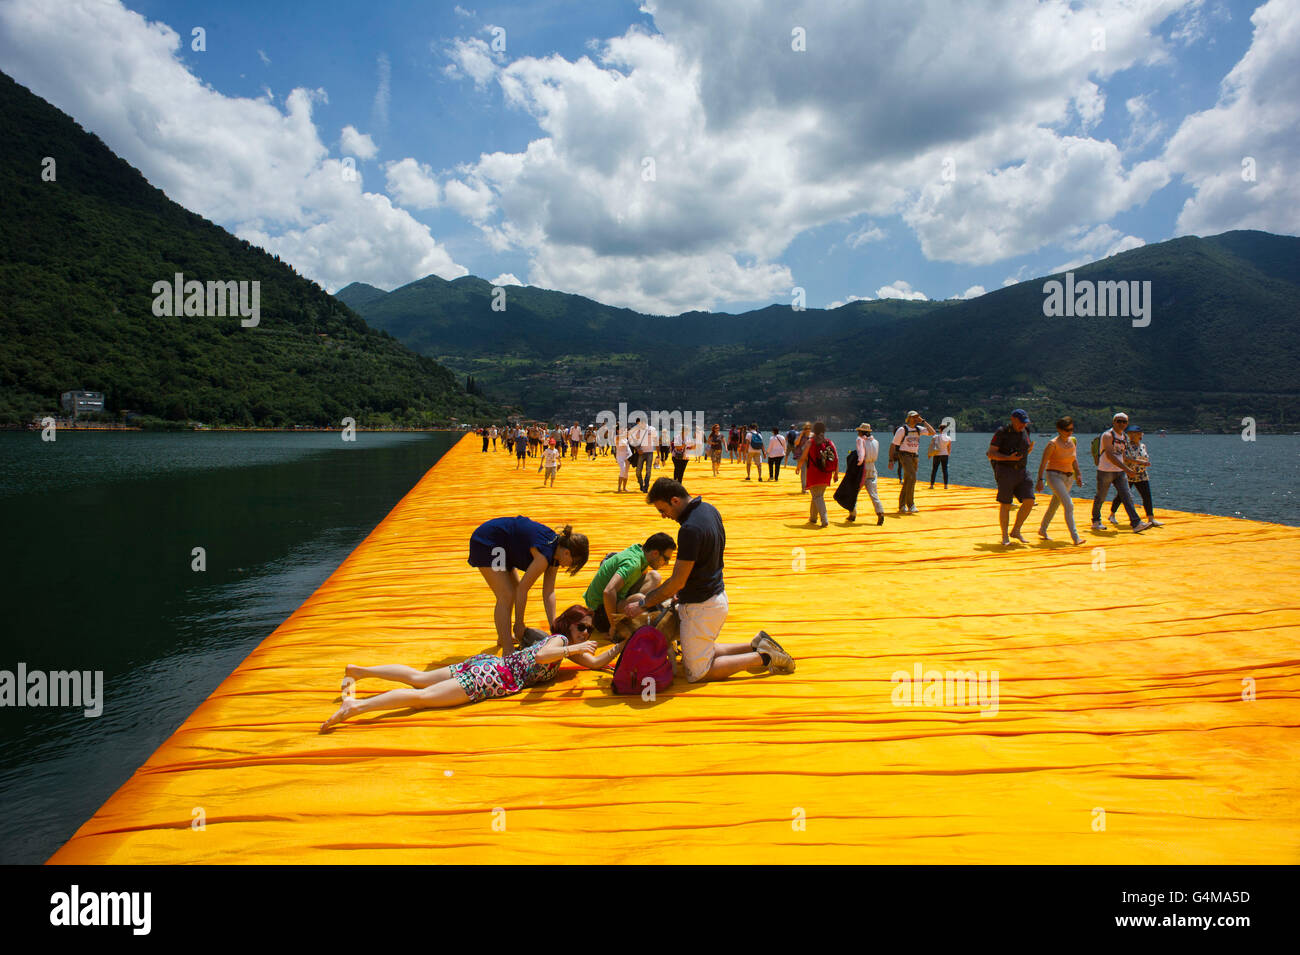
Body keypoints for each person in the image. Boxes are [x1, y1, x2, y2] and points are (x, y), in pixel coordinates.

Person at [321, 605, 618, 730]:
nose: (586, 634)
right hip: (489, 678)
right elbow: (542, 658)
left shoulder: (565, 646)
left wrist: (624, 644)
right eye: (583, 627)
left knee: (419, 678)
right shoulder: (561, 641)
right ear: (568, 624)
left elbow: (594, 662)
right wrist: (573, 646)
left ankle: (359, 671)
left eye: (589, 631)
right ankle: (355, 707)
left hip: (488, 665)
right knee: (421, 698)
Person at [623, 478, 794, 682]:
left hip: (701, 607)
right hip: (715, 597)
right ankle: (756, 644)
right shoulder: (709, 509)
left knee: (697, 672)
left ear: (675, 501)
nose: (663, 516)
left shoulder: (689, 530)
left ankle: (763, 657)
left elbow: (678, 581)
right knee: (702, 651)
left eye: (663, 509)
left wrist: (644, 603)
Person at [467, 517, 589, 651]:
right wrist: (519, 624)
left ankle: (504, 637)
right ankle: (507, 649)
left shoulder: (556, 553)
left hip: (504, 546)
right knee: (507, 595)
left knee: (513, 591)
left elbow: (549, 592)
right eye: (572, 563)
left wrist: (554, 626)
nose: (567, 567)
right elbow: (522, 589)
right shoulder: (544, 555)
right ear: (567, 553)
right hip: (488, 540)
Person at [583, 532, 676, 636]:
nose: (667, 564)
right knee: (640, 600)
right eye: (666, 559)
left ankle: (629, 614)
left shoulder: (639, 551)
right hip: (599, 612)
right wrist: (614, 625)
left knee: (655, 577)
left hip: (609, 600)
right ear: (655, 553)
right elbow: (608, 592)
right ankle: (623, 620)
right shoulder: (632, 564)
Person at [1091, 413, 1153, 534]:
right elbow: (1110, 455)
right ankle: (1096, 520)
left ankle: (1136, 523)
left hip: (1119, 472)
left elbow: (1122, 455)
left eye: (1124, 422)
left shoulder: (1124, 437)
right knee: (1101, 497)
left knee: (1127, 496)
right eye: (1119, 421)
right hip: (1105, 471)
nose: (1122, 424)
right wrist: (1127, 469)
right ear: (1114, 422)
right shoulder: (1108, 435)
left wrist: (1137, 462)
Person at [986, 409, 1036, 545]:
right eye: (1021, 422)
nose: (1023, 425)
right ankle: (1004, 537)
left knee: (1029, 500)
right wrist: (1008, 458)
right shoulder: (1002, 432)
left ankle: (1016, 530)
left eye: (1025, 423)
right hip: (1005, 471)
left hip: (1022, 471)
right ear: (1013, 419)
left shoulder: (1026, 431)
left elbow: (1024, 450)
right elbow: (990, 453)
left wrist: (1028, 450)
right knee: (1006, 504)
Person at [1035, 416, 1086, 545]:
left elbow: (1074, 459)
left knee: (1055, 504)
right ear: (1059, 429)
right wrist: (1040, 480)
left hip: (1069, 477)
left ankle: (1042, 529)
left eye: (1072, 429)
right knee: (1069, 504)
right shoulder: (1053, 444)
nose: (1070, 432)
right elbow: (1043, 463)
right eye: (1067, 430)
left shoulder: (1072, 441)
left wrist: (1078, 475)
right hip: (1054, 476)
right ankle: (1075, 537)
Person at [1109, 425, 1163, 527]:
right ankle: (1112, 514)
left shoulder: (1142, 446)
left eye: (1134, 433)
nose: (1132, 436)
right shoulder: (1126, 445)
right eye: (1130, 434)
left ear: (1140, 434)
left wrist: (1144, 463)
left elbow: (1144, 457)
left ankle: (1151, 518)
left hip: (1142, 474)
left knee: (1146, 496)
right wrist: (1139, 462)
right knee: (1122, 495)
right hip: (1129, 473)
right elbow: (1125, 458)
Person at [835, 423, 885, 525]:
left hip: (862, 469)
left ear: (861, 432)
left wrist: (858, 462)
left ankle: (852, 514)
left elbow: (861, 455)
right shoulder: (876, 442)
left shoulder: (860, 440)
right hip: (872, 467)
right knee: (873, 494)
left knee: (853, 491)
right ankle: (880, 513)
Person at [888, 411, 937, 513]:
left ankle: (901, 505)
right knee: (912, 477)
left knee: (908, 480)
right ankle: (911, 505)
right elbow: (893, 445)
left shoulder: (919, 429)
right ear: (909, 418)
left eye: (917, 417)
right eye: (914, 417)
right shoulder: (902, 430)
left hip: (914, 456)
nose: (916, 419)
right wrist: (891, 460)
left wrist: (923, 421)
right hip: (904, 455)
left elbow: (933, 432)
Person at [797, 421, 838, 528]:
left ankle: (824, 520)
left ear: (814, 430)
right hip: (826, 473)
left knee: (817, 496)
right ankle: (813, 517)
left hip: (814, 473)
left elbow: (803, 457)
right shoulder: (829, 442)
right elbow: (836, 458)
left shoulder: (810, 442)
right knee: (817, 496)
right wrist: (836, 473)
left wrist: (798, 467)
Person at [631, 417, 657, 492]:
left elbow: (656, 440)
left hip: (650, 452)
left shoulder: (652, 429)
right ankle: (641, 484)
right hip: (641, 453)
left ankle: (646, 486)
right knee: (638, 471)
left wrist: (658, 454)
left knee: (648, 470)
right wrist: (637, 449)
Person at [792, 422, 813, 492]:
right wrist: (801, 435)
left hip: (810, 456)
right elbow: (796, 443)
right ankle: (804, 488)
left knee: (810, 472)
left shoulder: (812, 435)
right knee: (804, 471)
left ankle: (809, 486)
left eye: (809, 428)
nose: (807, 430)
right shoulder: (799, 434)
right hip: (800, 455)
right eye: (806, 428)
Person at [615, 426, 632, 492]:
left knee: (626, 472)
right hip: (620, 457)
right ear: (617, 431)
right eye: (620, 429)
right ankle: (619, 487)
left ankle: (624, 487)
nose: (622, 430)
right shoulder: (616, 437)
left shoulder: (625, 438)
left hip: (627, 457)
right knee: (623, 469)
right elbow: (620, 437)